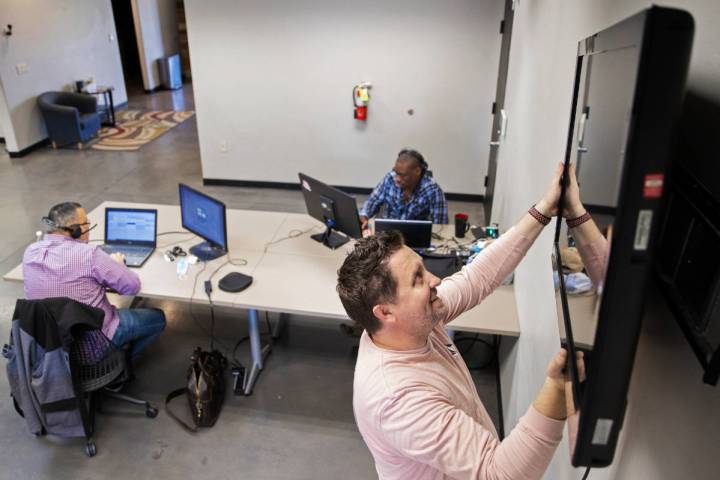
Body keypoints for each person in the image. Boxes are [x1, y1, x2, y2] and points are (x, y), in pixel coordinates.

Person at [337, 164, 584, 479]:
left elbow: (477, 277)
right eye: (417, 279)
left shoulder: (413, 322)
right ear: (385, 312)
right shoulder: (399, 400)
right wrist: (556, 391)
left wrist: (544, 209)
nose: (435, 280)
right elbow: (501, 475)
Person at [23, 202, 166, 360]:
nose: (88, 227)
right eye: (86, 223)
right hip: (94, 342)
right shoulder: (89, 255)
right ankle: (121, 364)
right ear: (76, 229)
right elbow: (132, 287)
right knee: (158, 318)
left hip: (53, 347)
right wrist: (118, 265)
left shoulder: (31, 252)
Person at [359, 149, 448, 233]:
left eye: (402, 175)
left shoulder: (433, 190)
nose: (397, 179)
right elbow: (372, 202)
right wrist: (363, 215)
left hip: (415, 239)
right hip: (388, 236)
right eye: (396, 172)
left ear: (417, 171)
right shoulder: (390, 178)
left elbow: (440, 227)